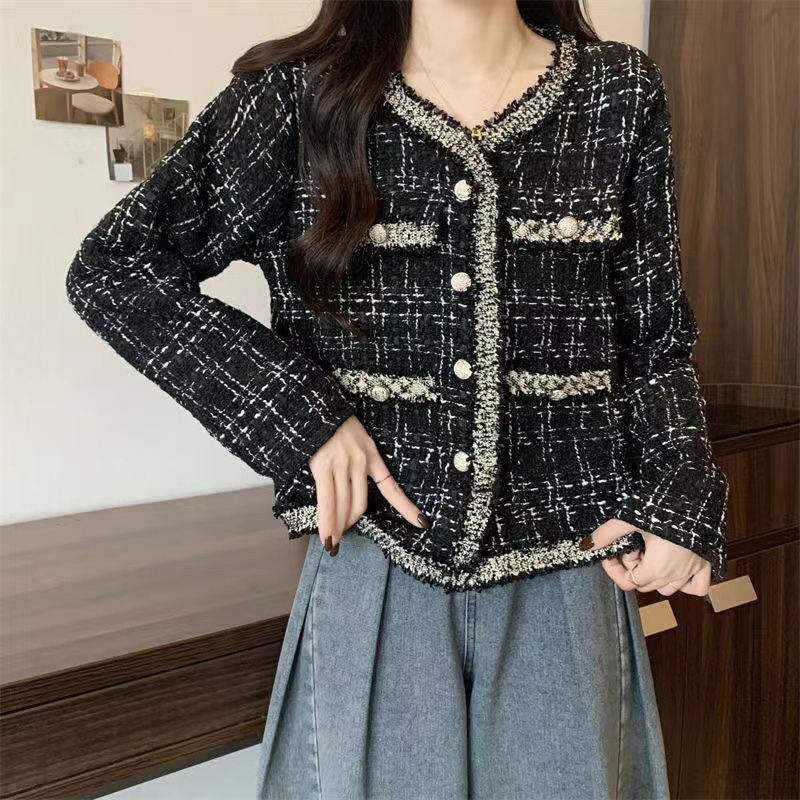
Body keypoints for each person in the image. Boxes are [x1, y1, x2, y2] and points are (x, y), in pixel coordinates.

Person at [66, 1, 730, 797]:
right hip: (374, 560)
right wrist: (303, 419)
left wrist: (681, 495)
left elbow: (654, 338)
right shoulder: (296, 97)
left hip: (574, 562)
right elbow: (115, 270)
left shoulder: (619, 91)